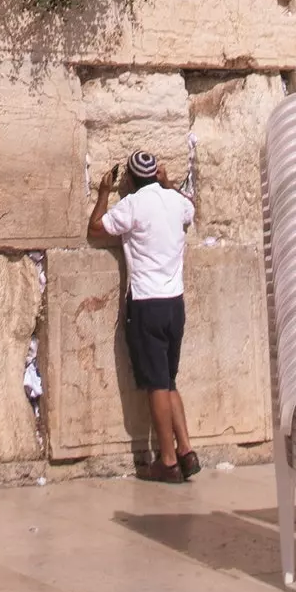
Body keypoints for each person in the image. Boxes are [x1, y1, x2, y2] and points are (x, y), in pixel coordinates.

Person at [89, 147, 200, 482]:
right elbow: (190, 207)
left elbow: (95, 229)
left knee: (155, 386)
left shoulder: (133, 204)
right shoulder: (174, 201)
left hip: (146, 304)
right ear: (157, 173)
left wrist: (104, 192)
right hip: (174, 303)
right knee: (168, 380)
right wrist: (170, 184)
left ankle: (166, 462)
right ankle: (186, 450)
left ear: (132, 180)